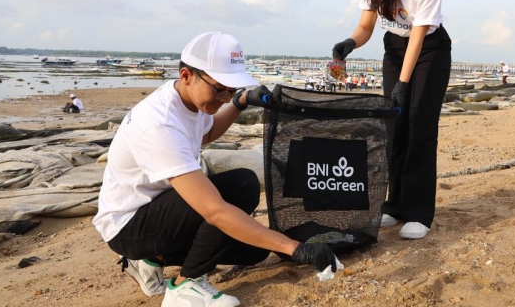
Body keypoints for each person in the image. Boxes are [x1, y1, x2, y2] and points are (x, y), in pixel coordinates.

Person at [92, 32, 337, 306]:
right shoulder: (159, 124)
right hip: (128, 225)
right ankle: (185, 288)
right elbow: (214, 211)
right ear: (187, 75)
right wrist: (295, 248)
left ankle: (154, 259)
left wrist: (240, 102)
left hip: (160, 210)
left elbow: (206, 134)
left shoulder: (189, 101)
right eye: (220, 89)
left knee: (253, 252)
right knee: (240, 187)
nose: (224, 97)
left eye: (231, 89)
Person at [332, 0, 451, 240]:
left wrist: (402, 84)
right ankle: (394, 205)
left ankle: (418, 211)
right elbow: (366, 26)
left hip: (429, 50)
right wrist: (348, 44)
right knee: (394, 127)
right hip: (394, 50)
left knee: (419, 125)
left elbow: (418, 33)